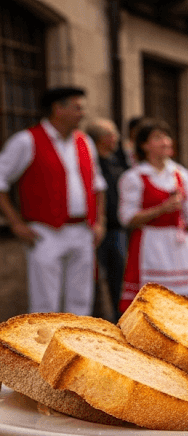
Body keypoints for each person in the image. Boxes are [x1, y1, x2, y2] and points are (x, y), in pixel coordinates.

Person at [0, 86, 107, 315]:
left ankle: (76, 349)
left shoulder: (85, 142)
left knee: (81, 301)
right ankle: (41, 350)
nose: (82, 113)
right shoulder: (27, 140)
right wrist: (15, 223)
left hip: (82, 229)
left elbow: (97, 185)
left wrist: (100, 221)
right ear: (58, 109)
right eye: (77, 108)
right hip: (45, 231)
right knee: (45, 303)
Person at [118, 119, 188, 310]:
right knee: (152, 303)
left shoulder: (181, 174)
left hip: (180, 245)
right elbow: (127, 218)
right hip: (150, 245)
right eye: (158, 138)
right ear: (144, 145)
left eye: (166, 136)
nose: (166, 141)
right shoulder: (134, 177)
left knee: (185, 304)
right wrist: (161, 209)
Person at [85, 118, 128, 320]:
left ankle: (118, 319)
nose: (117, 139)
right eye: (112, 134)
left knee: (118, 276)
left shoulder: (117, 160)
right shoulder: (90, 161)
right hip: (94, 230)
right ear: (103, 138)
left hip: (116, 229)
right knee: (92, 279)